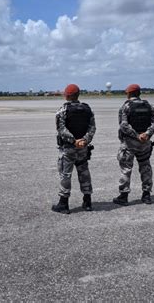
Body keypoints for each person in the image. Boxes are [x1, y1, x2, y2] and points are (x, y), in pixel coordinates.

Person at [52, 84, 96, 214]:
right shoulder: (87, 109)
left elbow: (61, 129)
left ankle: (63, 204)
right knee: (84, 173)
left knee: (66, 174)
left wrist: (73, 141)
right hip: (83, 148)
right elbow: (92, 128)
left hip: (68, 148)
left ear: (67, 95)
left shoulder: (62, 110)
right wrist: (84, 140)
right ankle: (87, 202)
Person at [113, 84, 154, 206]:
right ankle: (147, 194)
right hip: (145, 143)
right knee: (145, 167)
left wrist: (136, 135)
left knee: (126, 169)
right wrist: (146, 134)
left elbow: (123, 125)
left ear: (129, 93)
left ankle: (123, 196)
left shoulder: (126, 107)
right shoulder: (149, 106)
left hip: (129, 143)